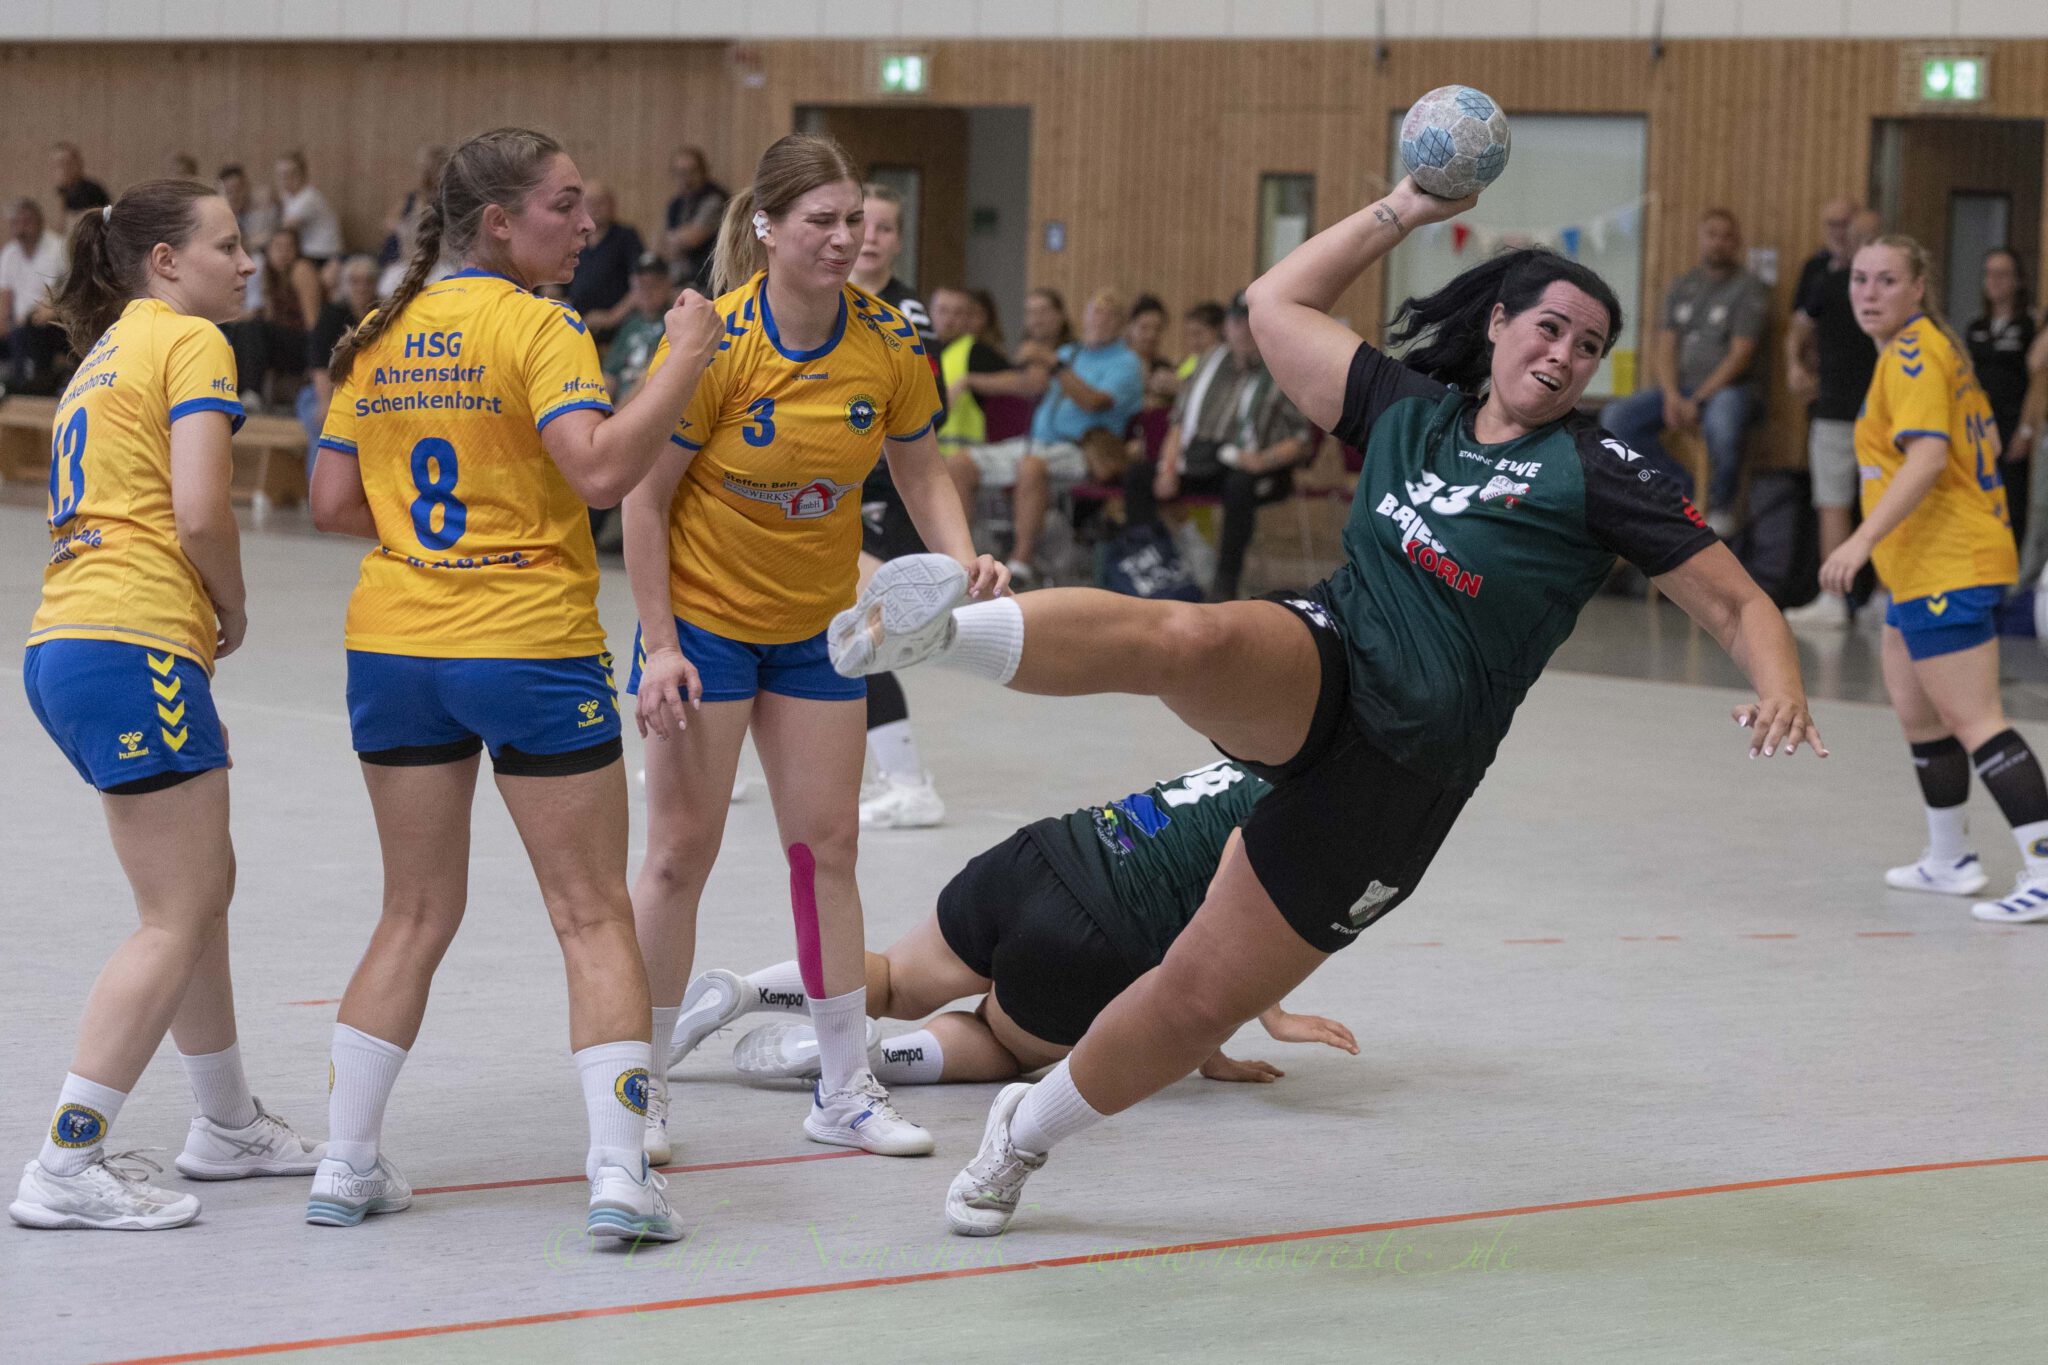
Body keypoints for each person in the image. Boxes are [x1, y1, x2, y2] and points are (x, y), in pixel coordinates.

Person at [834, 174, 1823, 1237]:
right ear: (1497, 324)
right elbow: (1274, 304)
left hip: (1404, 778)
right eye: (1549, 328)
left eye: (1588, 347)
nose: (1563, 355)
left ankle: (1022, 1136)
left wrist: (1780, 683)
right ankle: (942, 635)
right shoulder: (1410, 410)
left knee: (1193, 1001)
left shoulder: (1595, 468)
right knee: (1191, 638)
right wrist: (1406, 204)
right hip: (1331, 656)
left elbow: (1736, 603)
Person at [306, 126, 723, 1242]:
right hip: (526, 642)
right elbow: (601, 470)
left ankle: (345, 1163)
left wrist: (433, 536)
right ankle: (620, 1177)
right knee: (592, 914)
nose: (586, 225)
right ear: (498, 222)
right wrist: (683, 357)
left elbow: (333, 503)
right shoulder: (542, 325)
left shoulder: (379, 332)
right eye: (563, 205)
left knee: (411, 912)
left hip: (395, 645)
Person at [619, 133, 1005, 1167]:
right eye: (819, 221)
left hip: (817, 634)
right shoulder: (715, 344)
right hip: (703, 628)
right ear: (765, 227)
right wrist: (659, 647)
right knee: (677, 856)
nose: (843, 239)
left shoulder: (887, 342)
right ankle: (639, 1089)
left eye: (854, 221)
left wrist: (960, 558)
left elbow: (920, 470)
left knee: (827, 848)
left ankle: (842, 1089)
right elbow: (643, 501)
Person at [12, 180, 325, 1232]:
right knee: (175, 913)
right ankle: (67, 1159)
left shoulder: (107, 352)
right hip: (131, 638)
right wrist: (231, 606)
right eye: (227, 245)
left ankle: (226, 1123)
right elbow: (199, 510)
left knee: (202, 888)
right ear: (164, 261)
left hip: (72, 642)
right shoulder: (194, 342)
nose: (247, 262)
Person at [667, 758, 1357, 1088]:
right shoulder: (1330, 798)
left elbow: (1199, 850)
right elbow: (1237, 885)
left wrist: (1208, 1048)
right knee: (1002, 1045)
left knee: (895, 979)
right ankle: (868, 1060)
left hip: (1042, 854)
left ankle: (747, 989)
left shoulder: (1270, 748)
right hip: (1096, 932)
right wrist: (1265, 1015)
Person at [1815, 235, 2048, 924]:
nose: (1868, 293)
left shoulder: (1914, 352)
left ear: (1919, 287)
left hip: (1949, 563)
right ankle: (1949, 860)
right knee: (1919, 713)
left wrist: (1860, 541)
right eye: (1860, 279)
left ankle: (2044, 866)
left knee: (1976, 719)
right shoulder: (1919, 350)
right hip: (1918, 566)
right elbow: (1979, 444)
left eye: (1887, 280)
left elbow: (1927, 457)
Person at [846, 182, 951, 829]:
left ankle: (909, 781)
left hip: (886, 493)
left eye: (885, 228)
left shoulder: (906, 313)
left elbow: (926, 414)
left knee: (859, 628)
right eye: (865, 224)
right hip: (839, 487)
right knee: (815, 630)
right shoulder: (831, 298)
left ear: (898, 241)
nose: (871, 238)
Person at [1122, 292, 1314, 602]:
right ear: (1227, 327)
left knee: (1240, 485)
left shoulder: (1281, 367)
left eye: (1251, 322)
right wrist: (1167, 467)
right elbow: (1178, 422)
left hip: (1260, 466)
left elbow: (1302, 440)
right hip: (1205, 459)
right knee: (1139, 476)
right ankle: (1147, 566)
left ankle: (1225, 583)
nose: (1244, 330)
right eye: (1237, 322)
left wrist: (1262, 460)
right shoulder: (1209, 361)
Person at [953, 288, 1145, 587]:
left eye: (1109, 315)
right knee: (959, 463)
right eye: (1095, 313)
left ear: (1121, 323)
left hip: (1080, 449)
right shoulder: (1071, 353)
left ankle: (1020, 564)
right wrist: (968, 380)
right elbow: (1028, 384)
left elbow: (1093, 401)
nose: (1100, 320)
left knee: (1032, 466)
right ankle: (961, 560)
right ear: (1084, 318)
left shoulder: (1126, 362)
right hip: (1036, 443)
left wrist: (1055, 365)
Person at [1600, 208, 1770, 535]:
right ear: (1701, 238)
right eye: (1712, 234)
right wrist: (1671, 396)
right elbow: (1665, 345)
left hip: (1729, 389)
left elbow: (1740, 355)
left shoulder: (1749, 288)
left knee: (1722, 424)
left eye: (1726, 236)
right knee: (1615, 419)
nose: (1718, 242)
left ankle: (1721, 506)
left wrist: (1699, 399)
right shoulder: (1684, 285)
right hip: (1679, 390)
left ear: (1736, 242)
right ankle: (1678, 489)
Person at [1783, 203, 1884, 627]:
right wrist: (1796, 364)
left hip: (1882, 411)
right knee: (1835, 501)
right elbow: (1799, 328)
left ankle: (1881, 594)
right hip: (1838, 405)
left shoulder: (1887, 288)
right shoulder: (1828, 282)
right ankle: (1836, 596)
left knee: (1875, 502)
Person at [1965, 248, 2036, 547]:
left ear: (2017, 280)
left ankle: (2012, 560)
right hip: (1981, 423)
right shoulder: (1976, 327)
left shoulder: (2029, 326)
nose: (1994, 280)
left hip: (2013, 421)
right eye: (1989, 274)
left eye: (2002, 274)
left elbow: (2037, 380)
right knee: (1979, 494)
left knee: (2013, 497)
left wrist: (2026, 428)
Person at [297, 254, 380, 482]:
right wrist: (326, 401)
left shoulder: (383, 315)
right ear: (345, 285)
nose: (361, 287)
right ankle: (322, 488)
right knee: (326, 427)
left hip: (371, 393)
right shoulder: (331, 315)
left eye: (368, 281)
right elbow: (318, 362)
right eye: (355, 281)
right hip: (326, 390)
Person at [0, 197, 70, 393]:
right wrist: (3, 321)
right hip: (18, 322)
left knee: (29, 326)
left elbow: (61, 292)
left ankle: (29, 387)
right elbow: (5, 295)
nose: (22, 228)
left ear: (39, 222)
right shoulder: (9, 253)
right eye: (17, 223)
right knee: (15, 331)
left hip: (50, 318)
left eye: (27, 221)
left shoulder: (57, 248)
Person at [566, 181, 644, 341]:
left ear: (612, 205)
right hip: (575, 324)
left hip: (616, 328)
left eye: (600, 202)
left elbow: (641, 284)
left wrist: (612, 316)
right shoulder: (575, 239)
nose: (595, 208)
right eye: (589, 203)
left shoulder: (626, 237)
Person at [662, 145, 727, 290]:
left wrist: (673, 239)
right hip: (680, 282)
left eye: (691, 172)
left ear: (703, 172)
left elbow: (692, 238)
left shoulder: (714, 200)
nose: (686, 179)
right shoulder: (675, 205)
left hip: (709, 281)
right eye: (679, 173)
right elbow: (661, 246)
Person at [273, 151, 343, 266]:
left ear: (303, 175)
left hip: (323, 255)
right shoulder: (288, 196)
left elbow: (285, 227)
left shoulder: (309, 197)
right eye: (282, 175)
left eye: (292, 174)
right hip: (307, 252)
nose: (286, 179)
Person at [1125, 293, 1179, 407]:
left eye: (1157, 329)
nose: (1151, 335)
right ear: (1130, 327)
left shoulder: (1164, 368)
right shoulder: (1116, 364)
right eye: (1144, 328)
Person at [50, 141, 111, 222]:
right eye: (58, 165)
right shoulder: (61, 193)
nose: (63, 170)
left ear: (78, 164)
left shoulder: (91, 192)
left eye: (67, 163)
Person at [1177, 300, 1226, 382]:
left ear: (1219, 331)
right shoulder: (1192, 361)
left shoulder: (1229, 363)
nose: (1193, 341)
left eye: (1198, 334)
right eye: (1189, 335)